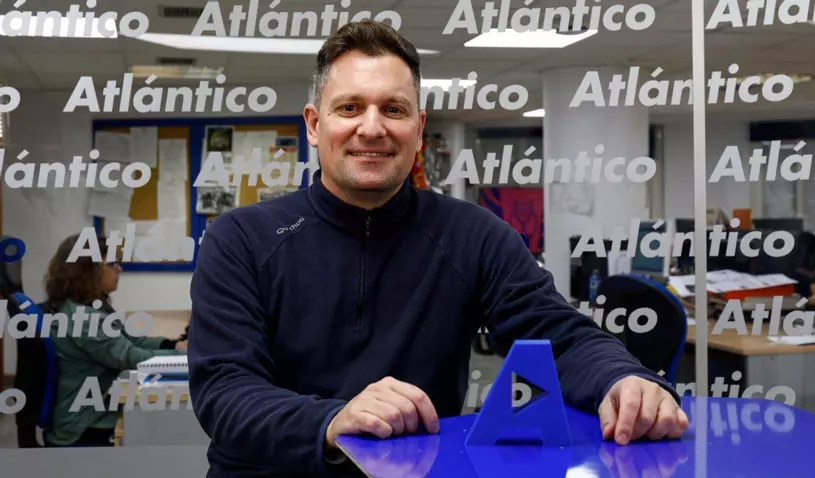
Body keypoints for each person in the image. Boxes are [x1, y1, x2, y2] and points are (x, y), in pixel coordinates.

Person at [188, 19, 688, 478]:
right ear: (315, 125)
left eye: (394, 109)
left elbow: (560, 336)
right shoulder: (241, 239)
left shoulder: (473, 234)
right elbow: (225, 389)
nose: (372, 127)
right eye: (350, 107)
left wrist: (623, 379)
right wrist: (331, 421)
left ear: (419, 128)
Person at [43, 234, 187, 447]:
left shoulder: (87, 307)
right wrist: (189, 355)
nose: (119, 269)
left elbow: (130, 340)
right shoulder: (84, 318)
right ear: (86, 270)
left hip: (90, 411)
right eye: (111, 263)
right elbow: (130, 357)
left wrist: (173, 345)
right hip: (85, 424)